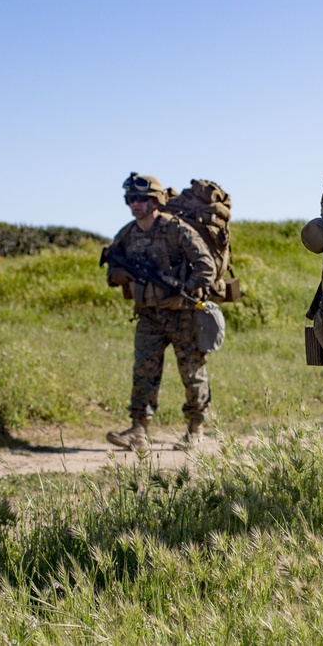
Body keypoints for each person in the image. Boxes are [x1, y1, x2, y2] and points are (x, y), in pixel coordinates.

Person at [103, 173, 217, 451]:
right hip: (149, 316)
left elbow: (207, 267)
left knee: (192, 373)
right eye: (132, 199)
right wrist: (122, 274)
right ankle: (138, 431)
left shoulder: (176, 230)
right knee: (143, 371)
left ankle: (195, 428)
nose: (137, 204)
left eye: (143, 199)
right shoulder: (127, 234)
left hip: (183, 314)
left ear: (155, 201)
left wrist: (185, 291)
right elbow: (111, 270)